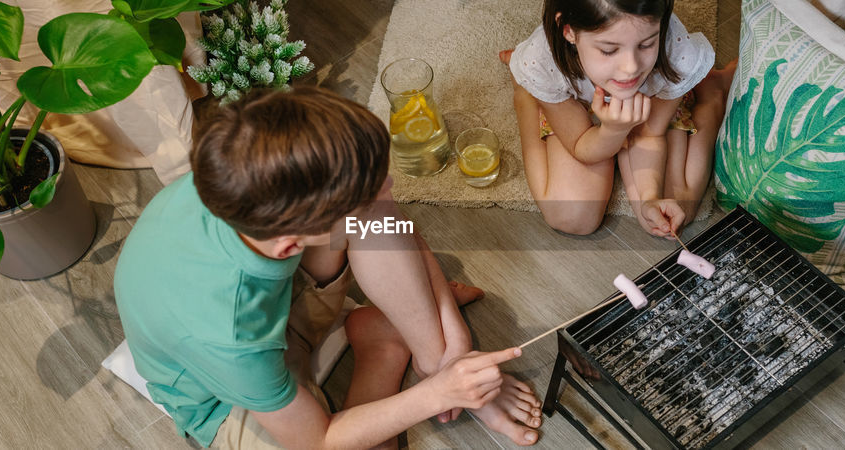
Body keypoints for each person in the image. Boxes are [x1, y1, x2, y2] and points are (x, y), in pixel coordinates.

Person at [113, 86, 542, 449]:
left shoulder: (239, 171)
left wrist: (453, 351)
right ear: (288, 245)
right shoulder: (228, 333)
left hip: (278, 310)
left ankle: (417, 349)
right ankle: (383, 348)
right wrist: (439, 394)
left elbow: (388, 215)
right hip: (231, 400)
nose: (391, 187)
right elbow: (317, 439)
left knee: (371, 209)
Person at [503, 0, 734, 237]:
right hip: (576, 106)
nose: (630, 68)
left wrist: (649, 198)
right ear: (569, 31)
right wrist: (612, 131)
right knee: (571, 217)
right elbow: (580, 145)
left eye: (646, 44)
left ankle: (711, 93)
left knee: (672, 213)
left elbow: (650, 133)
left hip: (650, 102)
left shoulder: (675, 52)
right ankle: (526, 95)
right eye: (609, 50)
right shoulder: (545, 60)